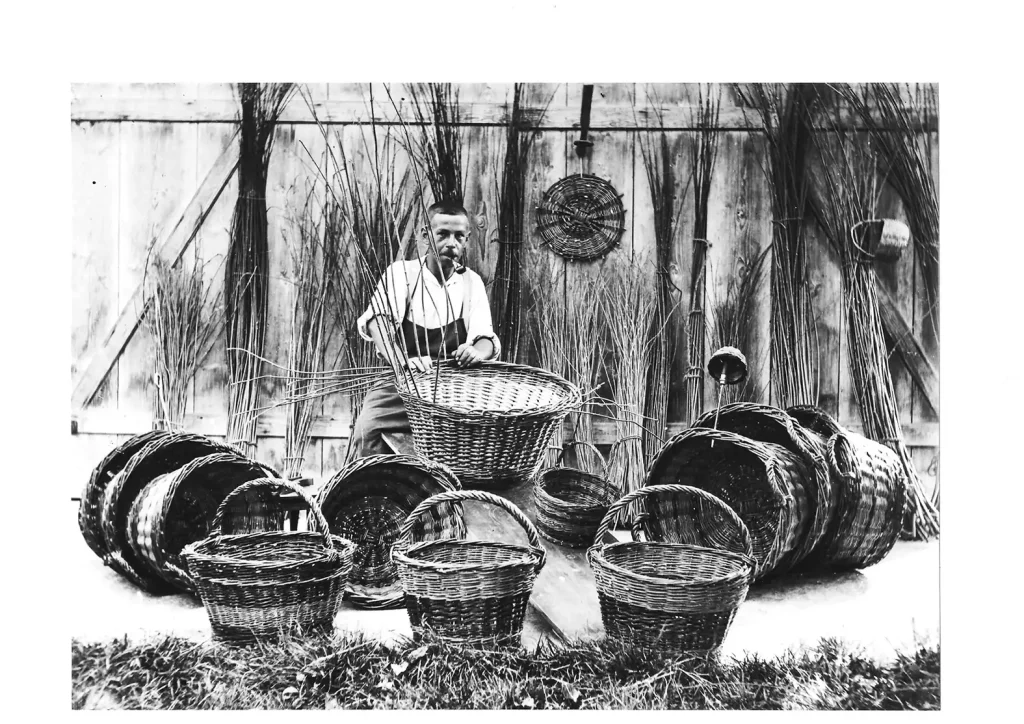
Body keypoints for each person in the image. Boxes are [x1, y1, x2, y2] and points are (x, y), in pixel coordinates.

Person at [348, 200, 502, 459]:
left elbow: (485, 338)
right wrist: (403, 363)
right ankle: (373, 496)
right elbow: (378, 324)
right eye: (442, 234)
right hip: (402, 387)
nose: (450, 243)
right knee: (367, 429)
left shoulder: (470, 283)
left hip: (452, 392)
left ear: (467, 241)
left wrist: (476, 352)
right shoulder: (403, 274)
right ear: (425, 235)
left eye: (458, 236)